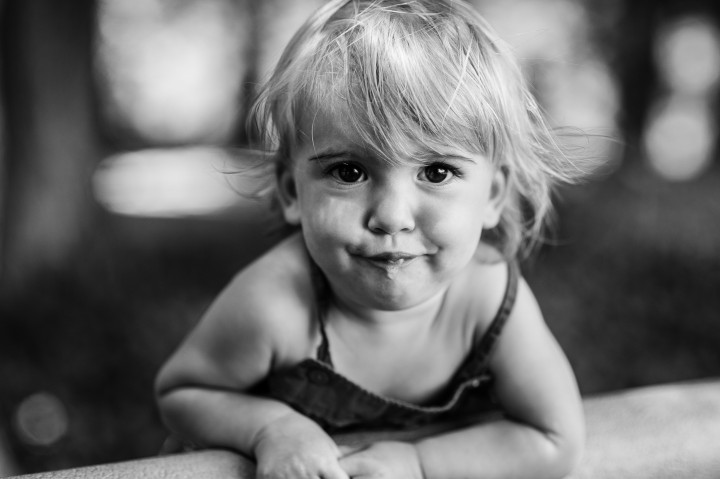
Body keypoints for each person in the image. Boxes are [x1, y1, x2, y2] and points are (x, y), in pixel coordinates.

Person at [155, 1, 591, 478]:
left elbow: (554, 438)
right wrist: (271, 429)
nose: (391, 217)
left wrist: (420, 463)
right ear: (290, 192)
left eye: (437, 171)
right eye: (349, 171)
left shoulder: (487, 298)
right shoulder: (275, 302)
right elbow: (182, 393)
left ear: (493, 193)